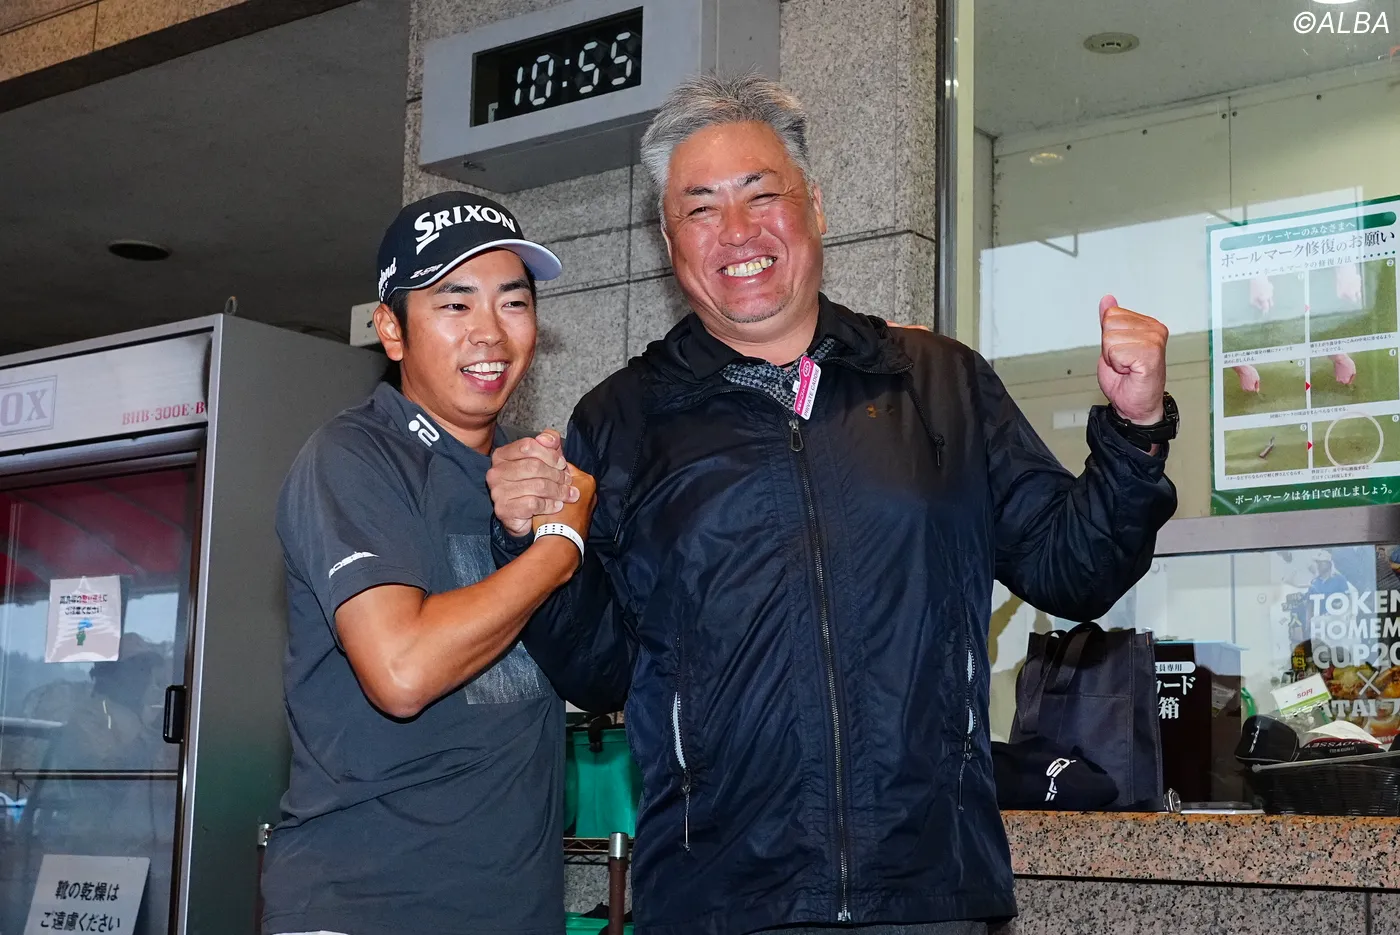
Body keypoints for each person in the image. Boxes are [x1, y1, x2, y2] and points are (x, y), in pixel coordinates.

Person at [488, 74, 1178, 935]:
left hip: (928, 891)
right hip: (721, 902)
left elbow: (1075, 568)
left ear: (812, 205)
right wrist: (530, 540)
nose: (736, 231)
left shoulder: (937, 383)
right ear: (669, 243)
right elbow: (601, 669)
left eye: (760, 194)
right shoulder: (622, 420)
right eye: (700, 208)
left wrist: (1135, 429)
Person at [260, 191, 595, 935]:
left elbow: (602, 672)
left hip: (512, 910)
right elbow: (402, 670)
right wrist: (558, 549)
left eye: (514, 302)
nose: (490, 331)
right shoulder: (354, 456)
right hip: (367, 905)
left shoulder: (523, 479)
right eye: (455, 304)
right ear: (392, 329)